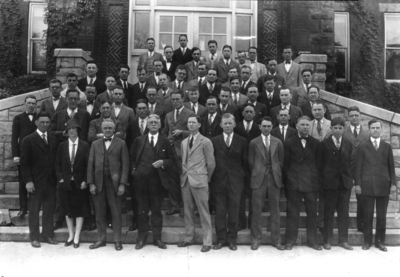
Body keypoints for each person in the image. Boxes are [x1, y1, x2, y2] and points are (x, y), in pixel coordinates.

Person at [130, 114, 175, 250]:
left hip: (157, 181)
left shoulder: (165, 141)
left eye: (156, 122)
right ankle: (141, 239)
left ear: (160, 125)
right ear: (147, 125)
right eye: (151, 123)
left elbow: (172, 160)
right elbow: (132, 157)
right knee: (142, 210)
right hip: (141, 180)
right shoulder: (139, 140)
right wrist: (134, 171)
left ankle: (157, 239)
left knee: (156, 211)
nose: (154, 124)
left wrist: (163, 162)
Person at [87, 119, 129, 251]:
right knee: (99, 212)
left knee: (116, 212)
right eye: (105, 128)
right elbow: (90, 165)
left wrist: (122, 184)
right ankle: (101, 239)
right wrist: (91, 183)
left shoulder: (121, 143)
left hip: (114, 183)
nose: (107, 130)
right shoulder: (95, 144)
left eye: (110, 128)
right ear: (101, 129)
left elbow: (125, 165)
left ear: (114, 129)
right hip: (99, 183)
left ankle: (117, 240)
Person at [355, 119, 396, 252]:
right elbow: (358, 168)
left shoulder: (387, 146)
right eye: (373, 128)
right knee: (367, 215)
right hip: (367, 185)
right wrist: (358, 184)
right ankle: (367, 241)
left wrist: (393, 184)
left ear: (381, 129)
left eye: (378, 128)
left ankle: (380, 242)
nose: (375, 130)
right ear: (369, 130)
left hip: (383, 185)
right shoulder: (362, 146)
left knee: (381, 216)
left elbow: (391, 167)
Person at [20, 111, 58, 248]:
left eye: (47, 122)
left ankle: (47, 235)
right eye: (42, 122)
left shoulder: (53, 139)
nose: (45, 124)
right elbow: (24, 164)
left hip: (51, 181)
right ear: (36, 122)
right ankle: (34, 237)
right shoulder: (28, 140)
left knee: (49, 209)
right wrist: (28, 181)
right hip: (35, 182)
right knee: (34, 210)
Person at [178, 115, 215, 252]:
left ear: (199, 125)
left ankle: (207, 241)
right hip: (186, 180)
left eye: (194, 122)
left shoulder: (205, 141)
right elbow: (184, 161)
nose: (191, 125)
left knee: (203, 211)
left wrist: (206, 178)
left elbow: (211, 163)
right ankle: (189, 237)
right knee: (188, 211)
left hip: (200, 180)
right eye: (189, 122)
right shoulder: (184, 142)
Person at [210, 113, 247, 251]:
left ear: (234, 125)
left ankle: (232, 240)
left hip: (235, 182)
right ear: (220, 125)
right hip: (219, 182)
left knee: (234, 212)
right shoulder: (214, 141)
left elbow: (244, 162)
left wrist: (240, 177)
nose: (227, 126)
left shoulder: (242, 141)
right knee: (220, 212)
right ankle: (220, 240)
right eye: (224, 123)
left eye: (229, 123)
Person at [284, 116, 322, 251]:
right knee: (292, 213)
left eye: (307, 124)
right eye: (302, 124)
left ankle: (313, 241)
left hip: (311, 184)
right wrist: (288, 182)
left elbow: (318, 164)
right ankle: (290, 241)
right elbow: (286, 165)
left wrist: (316, 181)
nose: (305, 127)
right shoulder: (289, 142)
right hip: (294, 183)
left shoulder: (316, 143)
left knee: (312, 213)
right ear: (297, 127)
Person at [317, 117, 354, 251]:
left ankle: (343, 240)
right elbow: (320, 165)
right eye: (335, 128)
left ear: (344, 129)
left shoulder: (348, 143)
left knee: (344, 213)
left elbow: (351, 163)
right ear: (331, 129)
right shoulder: (324, 144)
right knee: (329, 212)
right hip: (329, 184)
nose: (337, 131)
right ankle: (327, 240)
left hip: (344, 184)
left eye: (340, 128)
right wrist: (323, 181)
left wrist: (350, 178)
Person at [249, 116, 285, 251]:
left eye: (269, 126)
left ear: (272, 127)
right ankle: (255, 240)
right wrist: (259, 172)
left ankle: (276, 240)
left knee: (275, 210)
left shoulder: (278, 142)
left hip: (274, 179)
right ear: (259, 127)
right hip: (258, 179)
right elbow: (250, 162)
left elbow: (281, 161)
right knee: (256, 210)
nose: (266, 128)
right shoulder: (253, 142)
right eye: (264, 126)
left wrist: (274, 171)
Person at [55, 119, 91, 248]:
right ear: (66, 132)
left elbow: (88, 165)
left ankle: (77, 236)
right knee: (67, 209)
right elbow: (57, 164)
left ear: (78, 131)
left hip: (79, 183)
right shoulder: (62, 146)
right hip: (65, 183)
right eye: (69, 129)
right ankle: (70, 235)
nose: (72, 131)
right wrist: (60, 178)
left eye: (74, 129)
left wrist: (85, 180)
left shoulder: (85, 145)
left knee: (79, 209)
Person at [162, 90, 195, 216]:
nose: (175, 102)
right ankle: (174, 205)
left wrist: (182, 132)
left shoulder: (190, 113)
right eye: (173, 100)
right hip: (171, 152)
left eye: (177, 99)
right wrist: (166, 140)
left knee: (184, 180)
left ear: (183, 99)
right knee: (172, 181)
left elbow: (194, 131)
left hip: (184, 151)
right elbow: (165, 131)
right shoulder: (168, 115)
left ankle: (184, 208)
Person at [234, 104, 261, 229]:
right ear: (243, 113)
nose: (249, 114)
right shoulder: (237, 127)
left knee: (253, 198)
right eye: (246, 112)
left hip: (254, 167)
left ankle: (252, 223)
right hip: (239, 167)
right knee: (239, 197)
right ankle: (240, 222)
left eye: (251, 111)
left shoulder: (258, 128)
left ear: (254, 114)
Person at [125, 99, 150, 232]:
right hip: (136, 167)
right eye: (139, 108)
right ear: (135, 110)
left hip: (150, 166)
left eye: (143, 108)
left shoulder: (153, 124)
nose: (141, 110)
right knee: (135, 196)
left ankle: (147, 222)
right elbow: (129, 145)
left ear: (147, 109)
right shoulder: (132, 125)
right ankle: (136, 221)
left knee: (149, 196)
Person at [343, 106, 369, 232]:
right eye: (351, 115)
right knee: (344, 197)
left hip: (362, 170)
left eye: (356, 115)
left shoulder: (367, 133)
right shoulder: (343, 132)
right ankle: (344, 225)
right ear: (348, 117)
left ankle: (361, 224)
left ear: (360, 116)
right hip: (346, 168)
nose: (354, 117)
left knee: (362, 198)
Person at [11, 95, 38, 218]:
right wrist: (16, 155)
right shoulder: (18, 118)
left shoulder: (40, 118)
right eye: (29, 103)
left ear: (36, 104)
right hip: (23, 155)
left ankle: (35, 207)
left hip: (37, 155)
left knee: (37, 181)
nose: (31, 105)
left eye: (33, 103)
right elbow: (14, 138)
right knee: (23, 182)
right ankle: (23, 208)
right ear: (24, 104)